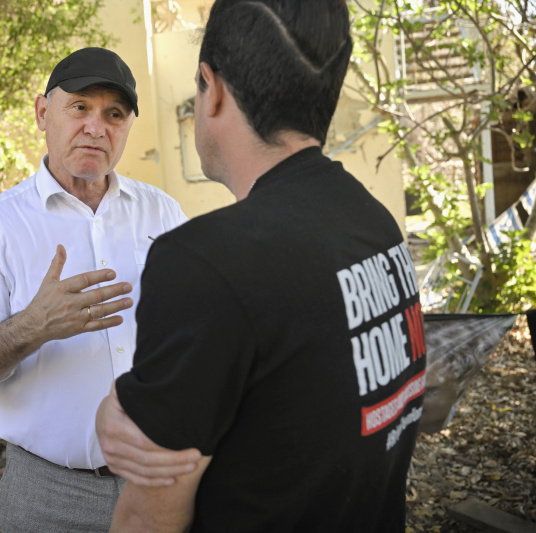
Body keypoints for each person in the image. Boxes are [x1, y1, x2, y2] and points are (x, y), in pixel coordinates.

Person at [95, 1, 428, 531]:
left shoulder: (204, 262)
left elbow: (150, 515)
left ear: (213, 89)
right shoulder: (373, 223)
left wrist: (115, 407)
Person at [0, 47, 187, 532]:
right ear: (41, 113)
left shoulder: (163, 214)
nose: (96, 127)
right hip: (50, 495)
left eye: (114, 114)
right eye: (80, 107)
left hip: (160, 479)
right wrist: (33, 326)